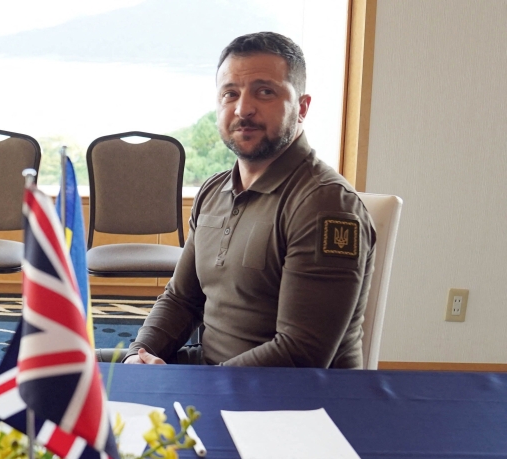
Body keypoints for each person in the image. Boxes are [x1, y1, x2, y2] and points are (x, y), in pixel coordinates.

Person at [126, 32, 374, 368]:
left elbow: (302, 351)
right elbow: (181, 298)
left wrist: (195, 387)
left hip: (289, 402)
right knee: (71, 377)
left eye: (265, 92)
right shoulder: (213, 192)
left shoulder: (325, 205)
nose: (243, 108)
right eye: (230, 94)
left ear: (301, 108)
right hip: (211, 374)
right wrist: (138, 357)